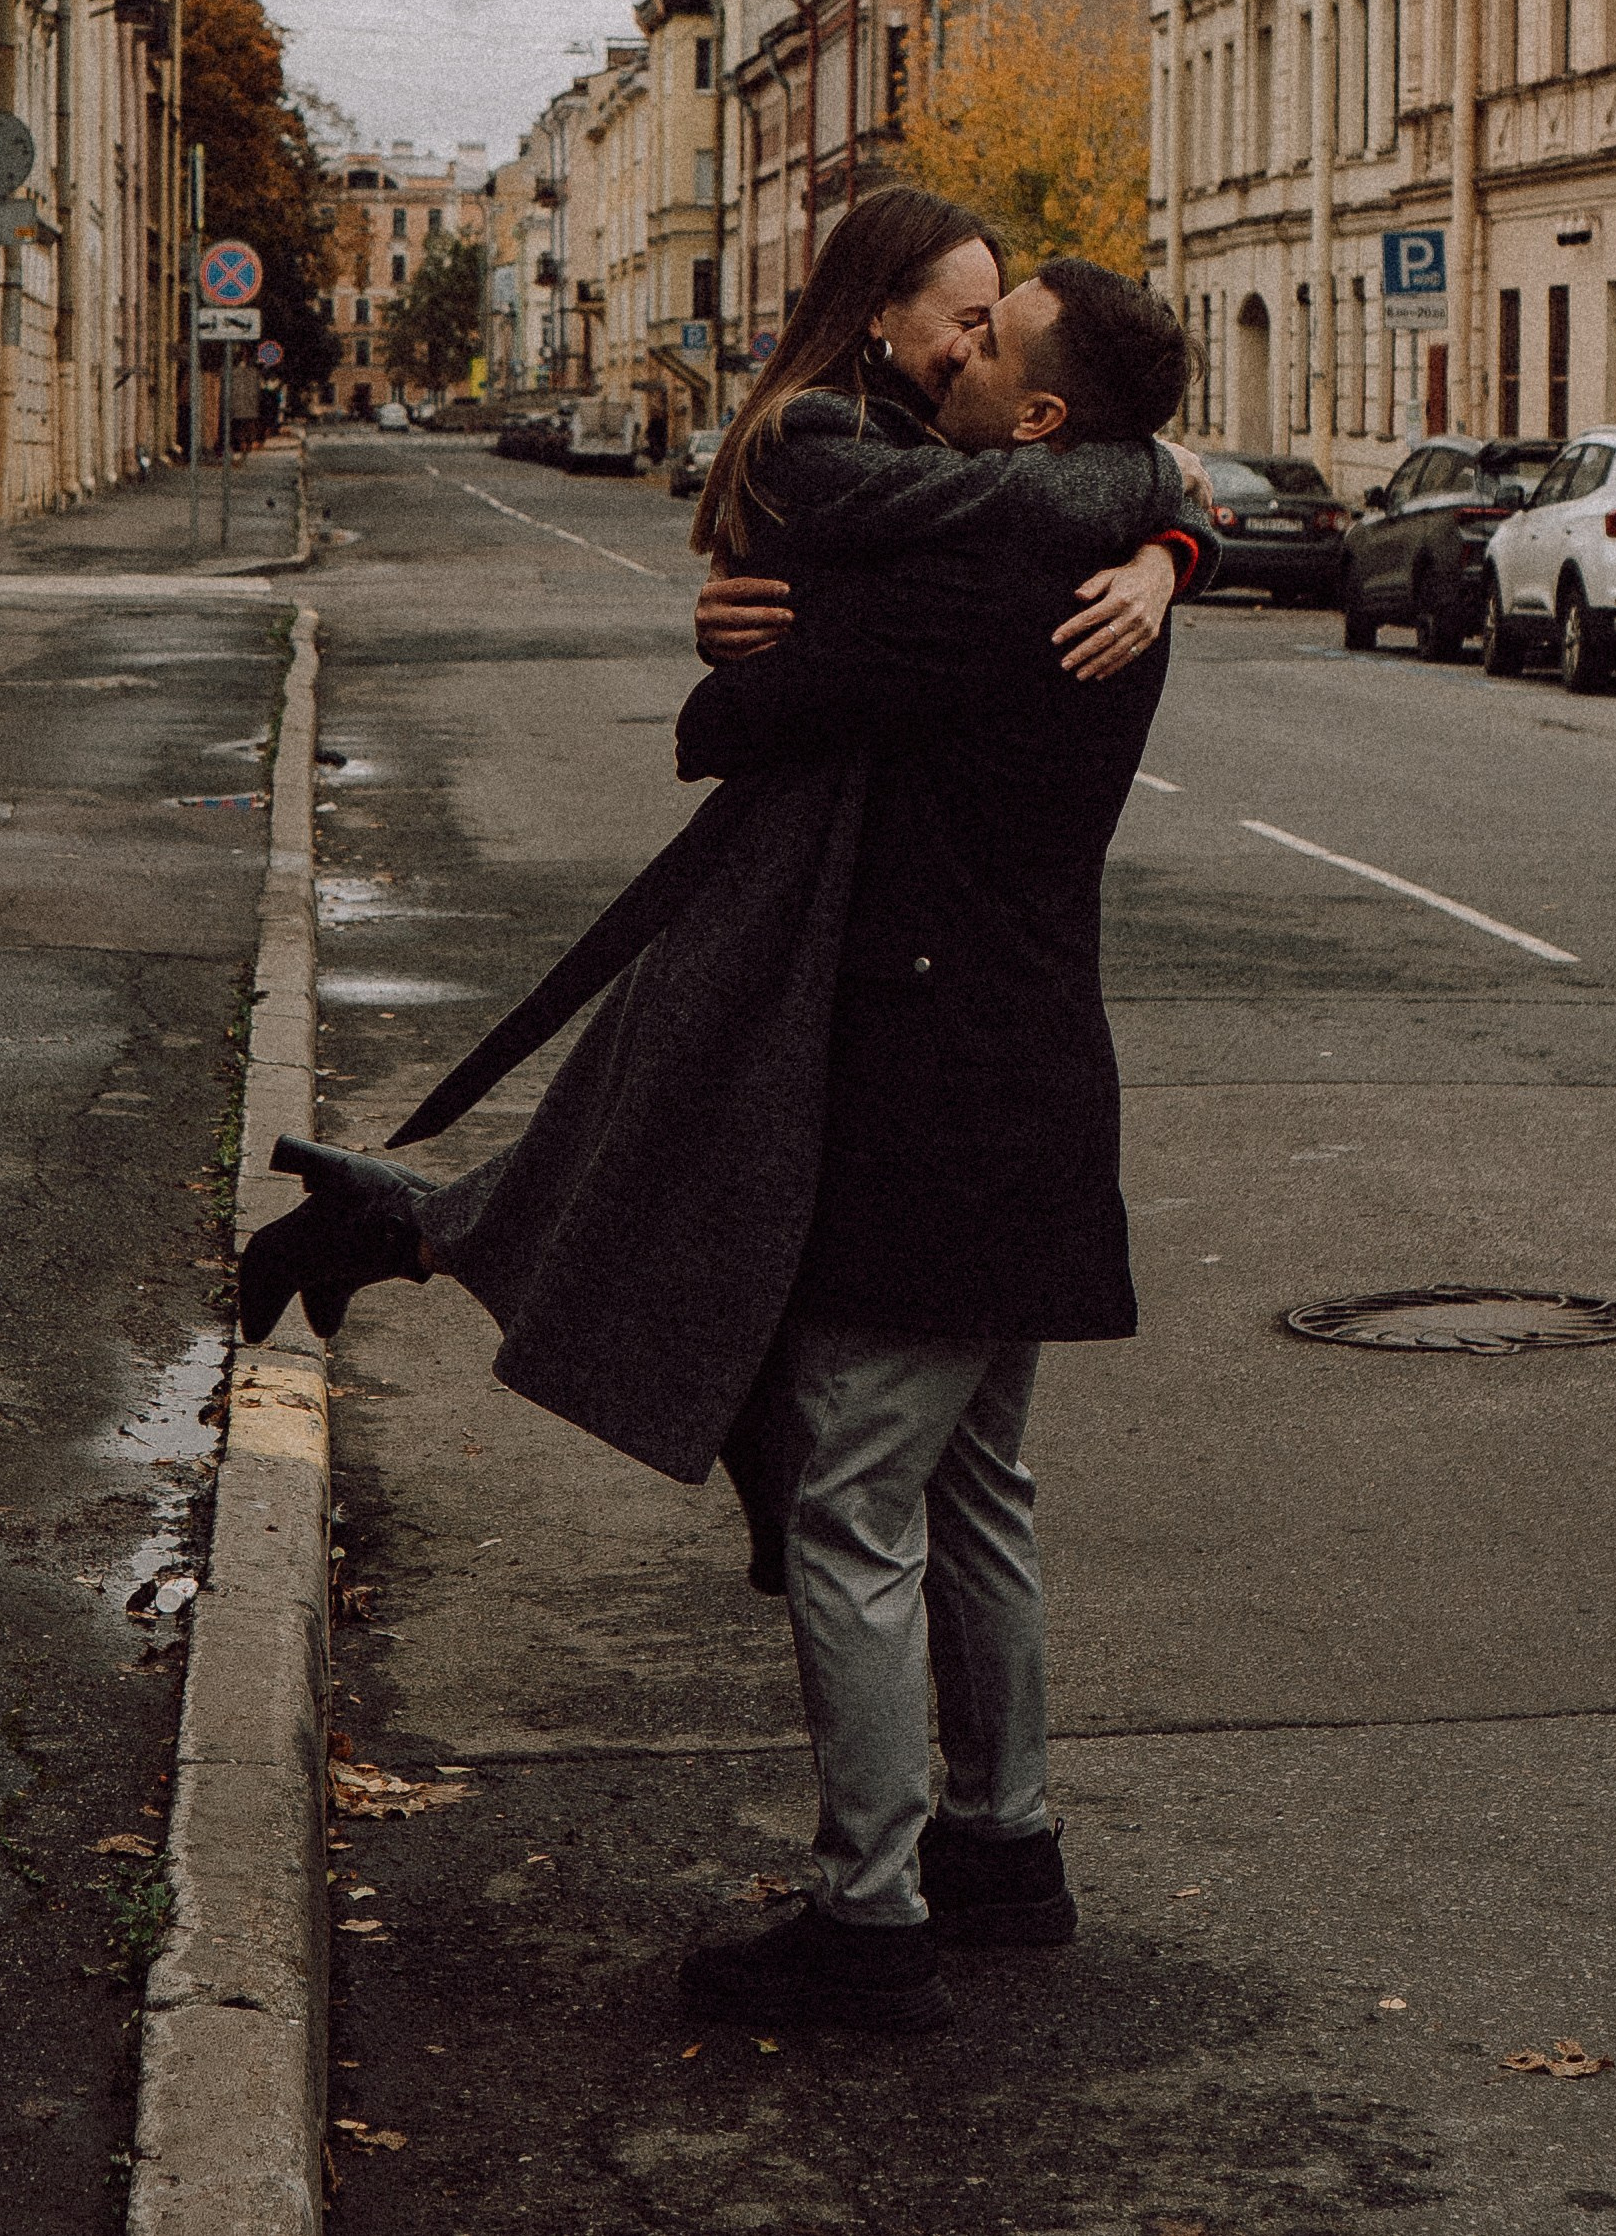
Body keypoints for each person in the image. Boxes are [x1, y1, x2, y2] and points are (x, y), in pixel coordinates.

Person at [666, 258, 1189, 2033]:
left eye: (989, 337)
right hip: (1028, 1071)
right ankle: (1003, 1844)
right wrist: (1172, 536)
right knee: (972, 1488)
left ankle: (870, 1913)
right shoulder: (1096, 548)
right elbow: (1149, 478)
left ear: (1036, 417)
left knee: (852, 1499)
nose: (956, 348)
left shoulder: (984, 570)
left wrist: (736, 645)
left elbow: (730, 726)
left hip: (935, 1087)